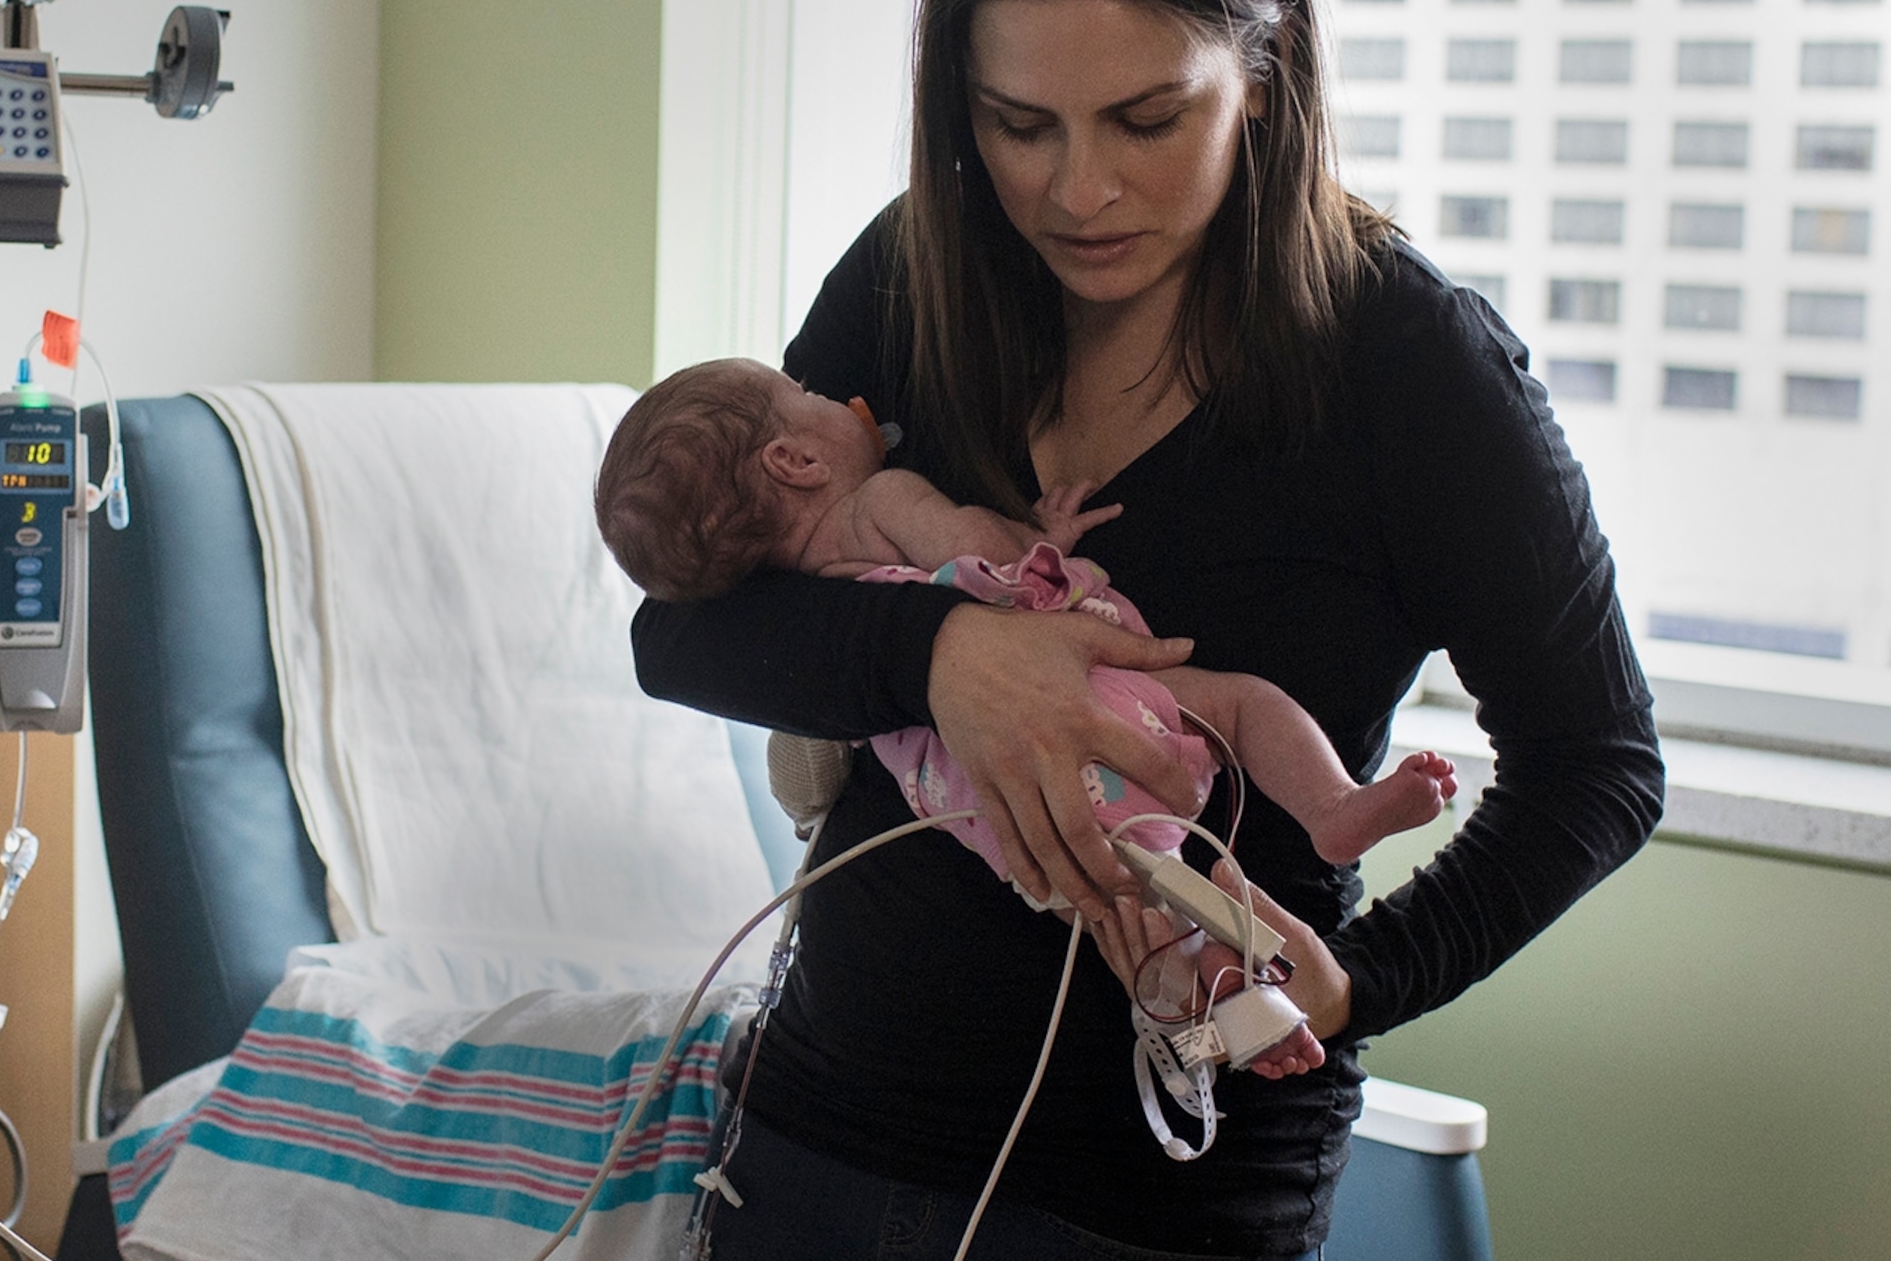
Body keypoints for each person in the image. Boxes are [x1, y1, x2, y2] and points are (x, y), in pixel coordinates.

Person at [615, 0, 1662, 1261]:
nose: (1072, 186)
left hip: (1137, 1247)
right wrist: (955, 650)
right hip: (819, 1154)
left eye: (1142, 117)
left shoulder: (1408, 366)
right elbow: (690, 620)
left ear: (1264, 70)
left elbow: (1602, 764)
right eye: (1017, 123)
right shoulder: (916, 284)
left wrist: (1359, 987)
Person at [593, 357, 1461, 1008]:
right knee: (1237, 701)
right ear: (796, 462)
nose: (833, 395)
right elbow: (995, 556)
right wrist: (1038, 528)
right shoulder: (885, 495)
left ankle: (1202, 983)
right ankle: (1332, 806)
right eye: (809, 396)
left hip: (991, 801)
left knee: (1128, 894)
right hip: (1089, 690)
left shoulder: (800, 604)